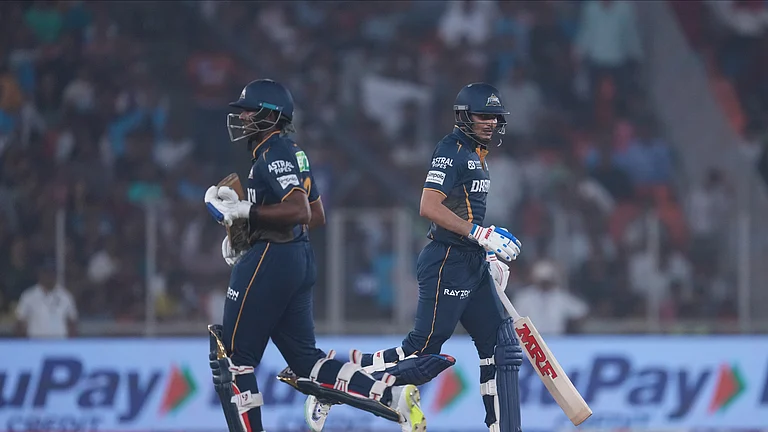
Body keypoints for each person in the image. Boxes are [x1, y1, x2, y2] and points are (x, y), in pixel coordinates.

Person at [203, 79, 424, 432]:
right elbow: (317, 215)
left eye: (249, 110)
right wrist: (252, 224)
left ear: (271, 115)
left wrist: (245, 213)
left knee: (233, 360)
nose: (242, 116)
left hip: (272, 259)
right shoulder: (294, 151)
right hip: (296, 259)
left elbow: (300, 211)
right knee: (306, 361)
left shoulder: (273, 152)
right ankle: (390, 396)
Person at [307, 83, 525, 432]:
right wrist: (480, 235)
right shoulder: (450, 151)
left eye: (496, 118)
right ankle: (332, 384)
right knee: (421, 352)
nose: (491, 123)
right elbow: (428, 206)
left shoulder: (476, 154)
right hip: (446, 263)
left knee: (500, 346)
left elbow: (463, 213)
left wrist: (484, 252)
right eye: (484, 116)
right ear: (464, 116)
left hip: (469, 261)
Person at [15, 260, 78, 339]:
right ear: (40, 274)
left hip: (60, 344)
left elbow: (72, 322)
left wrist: (71, 344)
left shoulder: (66, 296)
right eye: (46, 272)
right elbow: (20, 322)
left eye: (52, 272)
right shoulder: (28, 296)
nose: (49, 276)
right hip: (35, 343)